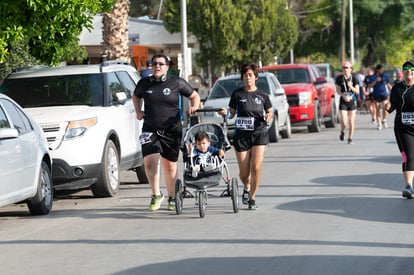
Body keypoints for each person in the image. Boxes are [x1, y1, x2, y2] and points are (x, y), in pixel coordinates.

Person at [133, 53, 200, 211]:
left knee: (170, 166)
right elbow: (136, 96)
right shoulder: (144, 83)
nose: (157, 66)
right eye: (154, 63)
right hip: (150, 129)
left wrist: (194, 107)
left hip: (172, 129)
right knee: (149, 163)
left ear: (167, 67)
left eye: (161, 64)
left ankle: (172, 197)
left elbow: (194, 96)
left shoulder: (177, 82)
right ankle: (156, 194)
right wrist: (138, 111)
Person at [219, 63, 272, 210]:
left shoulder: (262, 95)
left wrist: (268, 116)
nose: (248, 78)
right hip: (241, 135)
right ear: (242, 77)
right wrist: (226, 114)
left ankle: (252, 198)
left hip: (259, 134)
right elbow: (231, 113)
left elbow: (269, 111)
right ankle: (247, 186)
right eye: (245, 75)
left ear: (255, 77)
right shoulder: (237, 94)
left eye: (250, 75)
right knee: (244, 173)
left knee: (256, 167)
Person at [386, 60, 414, 198]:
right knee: (408, 156)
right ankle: (408, 186)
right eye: (406, 68)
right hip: (403, 128)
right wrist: (387, 105)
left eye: (412, 68)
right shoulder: (397, 88)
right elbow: (391, 108)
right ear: (403, 72)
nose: (409, 70)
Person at [335, 61, 359, 144]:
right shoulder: (339, 78)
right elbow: (337, 90)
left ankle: (350, 138)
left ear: (351, 69)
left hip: (352, 101)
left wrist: (350, 86)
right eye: (344, 68)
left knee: (351, 121)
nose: (345, 70)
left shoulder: (354, 78)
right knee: (344, 121)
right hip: (343, 101)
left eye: (347, 68)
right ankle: (342, 131)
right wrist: (343, 95)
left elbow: (357, 91)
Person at [368, 64, 392, 130]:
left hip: (384, 94)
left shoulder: (385, 76)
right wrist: (376, 81)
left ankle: (384, 120)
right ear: (377, 70)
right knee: (377, 109)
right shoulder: (373, 77)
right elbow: (369, 85)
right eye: (381, 69)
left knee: (385, 107)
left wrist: (393, 90)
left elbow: (388, 85)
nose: (382, 70)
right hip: (376, 95)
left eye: (382, 69)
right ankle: (379, 124)